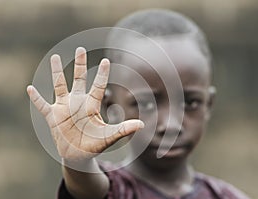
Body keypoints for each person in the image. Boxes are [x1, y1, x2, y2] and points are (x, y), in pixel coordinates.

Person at [27, 9, 250, 199]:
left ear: (208, 105)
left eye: (190, 102)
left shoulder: (226, 195)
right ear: (110, 107)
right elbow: (88, 189)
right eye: (147, 104)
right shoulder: (116, 188)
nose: (170, 124)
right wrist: (78, 162)